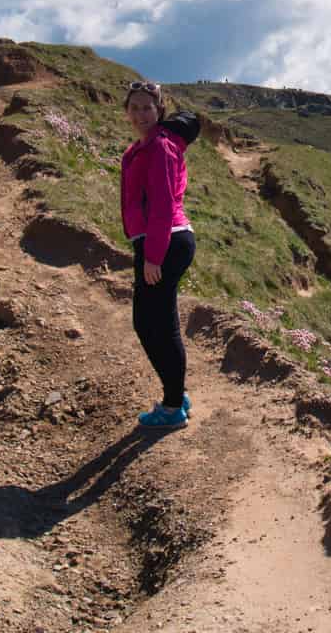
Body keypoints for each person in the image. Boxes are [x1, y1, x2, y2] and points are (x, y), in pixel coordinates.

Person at [120, 80, 200, 430]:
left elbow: (164, 205)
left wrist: (153, 255)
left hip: (166, 242)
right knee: (149, 322)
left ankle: (172, 406)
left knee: (159, 325)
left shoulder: (161, 148)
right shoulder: (140, 147)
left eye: (147, 108)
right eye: (135, 107)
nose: (141, 114)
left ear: (159, 111)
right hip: (156, 242)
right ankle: (175, 396)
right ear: (126, 112)